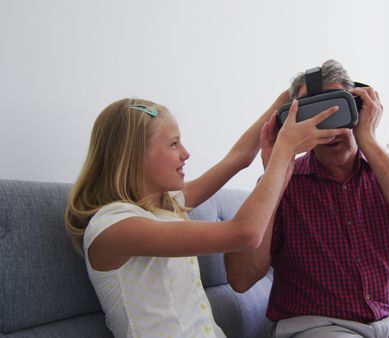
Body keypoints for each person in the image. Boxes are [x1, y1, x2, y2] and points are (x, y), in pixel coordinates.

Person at [64, 95, 349, 338]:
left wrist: (287, 99)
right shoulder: (114, 226)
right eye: (174, 144)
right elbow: (246, 234)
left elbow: (238, 157)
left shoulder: (167, 206)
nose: (186, 153)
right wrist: (284, 153)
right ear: (135, 154)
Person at [224, 59, 389, 338]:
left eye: (337, 110)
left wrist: (368, 140)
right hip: (316, 324)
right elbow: (240, 278)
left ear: (358, 109)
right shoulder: (284, 182)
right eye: (313, 115)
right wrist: (275, 169)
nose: (327, 126)